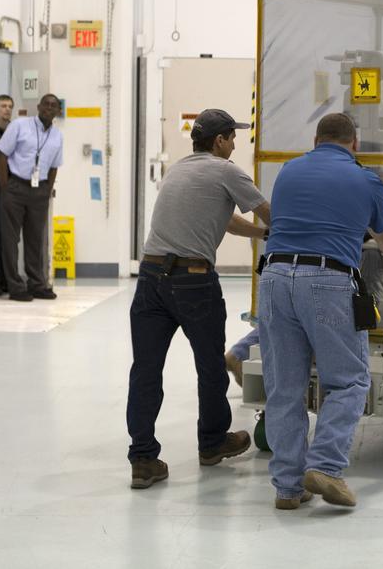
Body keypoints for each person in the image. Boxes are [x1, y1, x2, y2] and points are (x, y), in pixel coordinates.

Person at [258, 113, 383, 510]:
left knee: (284, 387)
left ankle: (288, 488)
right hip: (326, 281)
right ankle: (325, 465)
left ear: (315, 139)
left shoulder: (288, 171)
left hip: (272, 278)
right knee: (348, 381)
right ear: (354, 143)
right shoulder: (365, 179)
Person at [127, 109, 272, 489]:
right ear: (220, 140)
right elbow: (269, 212)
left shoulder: (179, 169)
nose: (235, 144)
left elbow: (221, 220)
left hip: (150, 278)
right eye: (232, 137)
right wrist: (297, 233)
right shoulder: (227, 170)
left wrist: (259, 236)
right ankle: (211, 442)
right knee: (210, 366)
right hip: (192, 281)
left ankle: (142, 458)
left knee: (145, 370)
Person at [0, 93, 64, 302]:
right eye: (46, 104)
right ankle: (16, 286)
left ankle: (37, 284)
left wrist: (46, 191)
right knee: (11, 239)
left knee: (36, 240)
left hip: (39, 191)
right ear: (38, 106)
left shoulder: (57, 136)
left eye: (54, 106)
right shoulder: (19, 125)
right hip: (16, 186)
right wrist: (6, 187)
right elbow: (2, 154)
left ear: (58, 111)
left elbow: (54, 167)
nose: (49, 108)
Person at [0, 94, 14, 294]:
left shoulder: (14, 132)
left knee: (10, 237)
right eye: (3, 106)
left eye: (9, 106)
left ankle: (9, 279)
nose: (7, 110)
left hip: (11, 190)